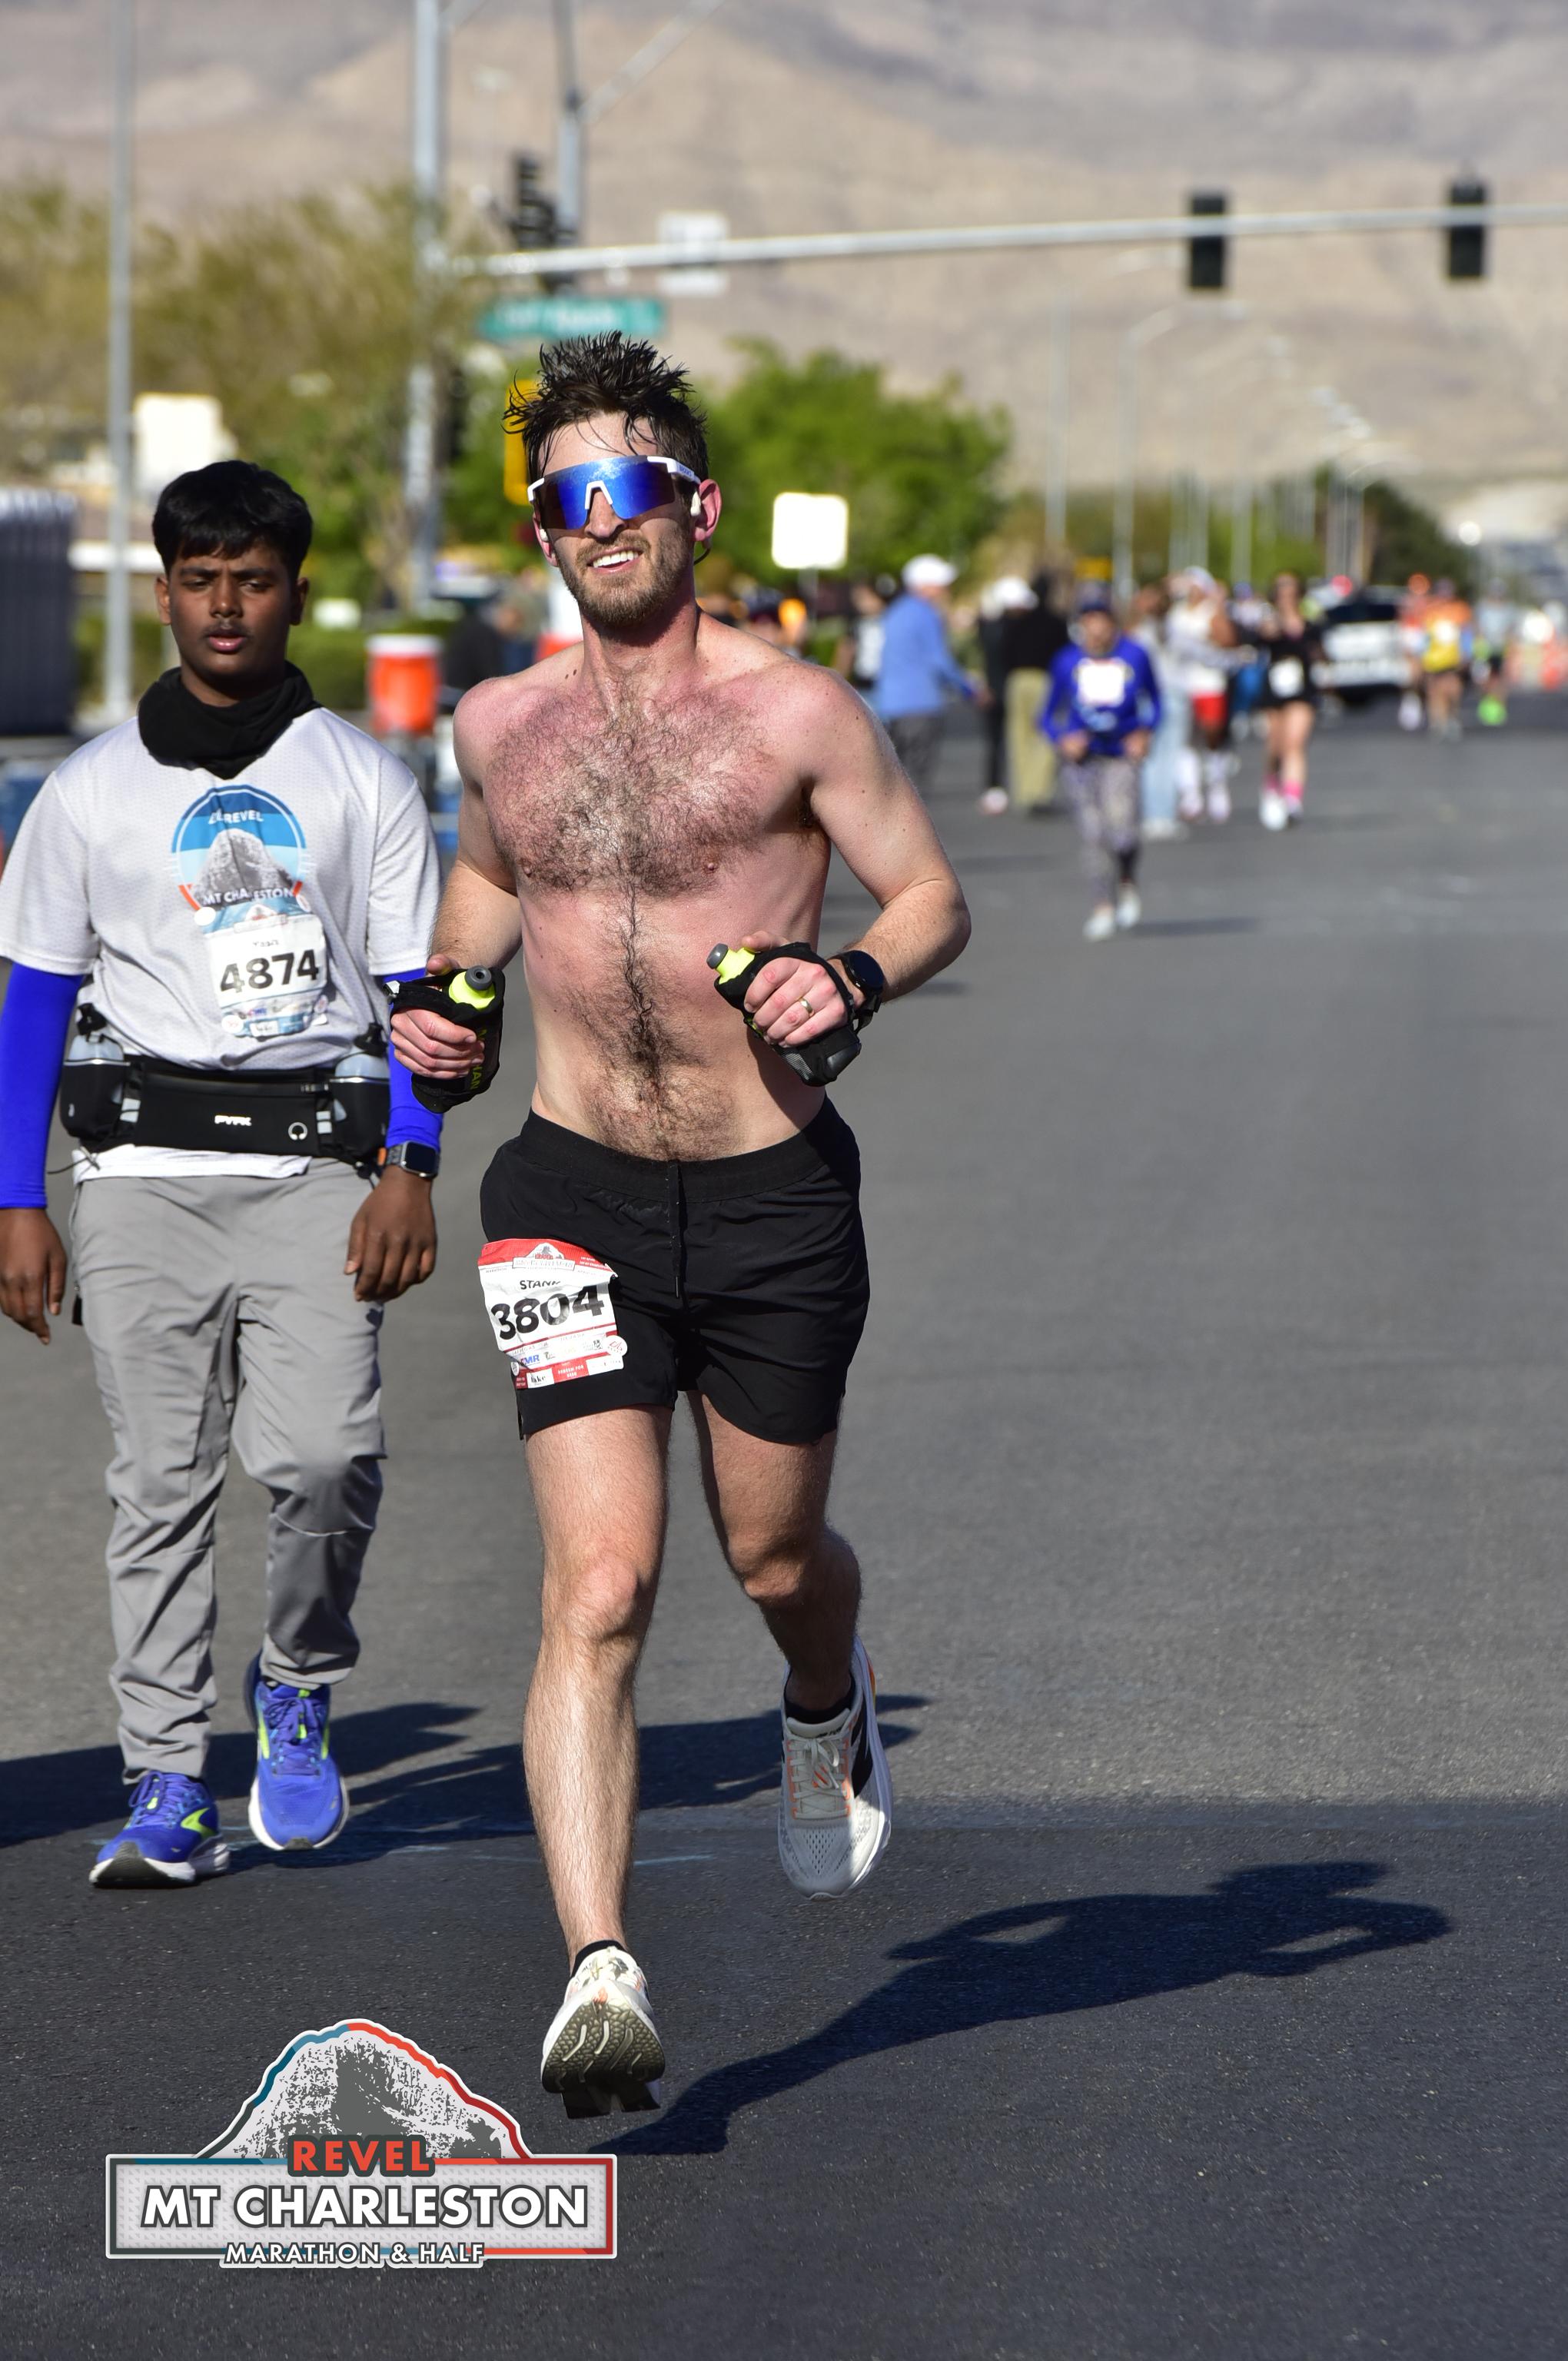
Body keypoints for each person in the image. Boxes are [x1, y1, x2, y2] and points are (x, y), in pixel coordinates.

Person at [390, 334, 970, 2119]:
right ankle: (600, 1965)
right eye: (563, 494)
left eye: (627, 485)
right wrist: (440, 1023)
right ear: (541, 526)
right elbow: (481, 889)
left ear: (695, 506)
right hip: (568, 1196)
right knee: (601, 1583)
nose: (597, 518)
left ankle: (823, 1695)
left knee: (772, 1555)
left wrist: (850, 973)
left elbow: (928, 893)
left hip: (772, 1194)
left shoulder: (799, 713)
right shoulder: (500, 724)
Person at [0, 460, 443, 1885]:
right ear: (164, 593)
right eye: (200, 581)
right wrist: (16, 1195)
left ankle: (297, 1685)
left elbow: (420, 996)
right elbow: (32, 999)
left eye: (253, 580)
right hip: (139, 1171)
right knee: (159, 1485)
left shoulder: (362, 780)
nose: (227, 606)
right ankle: (167, 1779)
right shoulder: (88, 791)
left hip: (319, 1165)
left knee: (324, 1457)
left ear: (297, 592)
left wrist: (413, 1162)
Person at [1040, 592, 1161, 939]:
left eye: (1102, 618)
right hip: (1083, 759)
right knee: (1093, 833)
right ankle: (1102, 905)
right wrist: (1063, 738)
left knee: (1123, 832)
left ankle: (1127, 877)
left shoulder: (1135, 655)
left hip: (1121, 755)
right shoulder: (1067, 661)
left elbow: (1156, 702)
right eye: (1088, 619)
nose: (1096, 627)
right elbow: (1047, 715)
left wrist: (1144, 733)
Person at [870, 553, 982, 795]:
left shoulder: (894, 612)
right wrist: (969, 689)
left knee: (892, 780)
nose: (945, 588)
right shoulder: (927, 614)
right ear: (925, 585)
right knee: (915, 785)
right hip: (920, 704)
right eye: (941, 583)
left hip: (890, 704)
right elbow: (940, 661)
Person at [1164, 568, 1237, 820]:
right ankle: (1190, 793)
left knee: (1211, 734)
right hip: (1182, 684)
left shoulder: (1211, 611)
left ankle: (1216, 784)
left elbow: (1228, 640)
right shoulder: (1176, 613)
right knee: (1186, 738)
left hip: (1209, 682)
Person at [1254, 571, 1324, 830]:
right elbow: (1259, 641)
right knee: (1276, 746)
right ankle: (1272, 785)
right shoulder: (1268, 621)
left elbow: (1318, 650)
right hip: (1275, 690)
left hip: (1301, 690)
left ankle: (1292, 799)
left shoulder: (1310, 623)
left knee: (1294, 743)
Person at [1420, 578, 1474, 741]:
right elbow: (1424, 636)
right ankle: (1437, 722)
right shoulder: (1429, 610)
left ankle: (1452, 718)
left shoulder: (1460, 610)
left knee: (1453, 690)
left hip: (1452, 658)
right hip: (1433, 658)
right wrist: (1421, 655)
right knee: (1434, 691)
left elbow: (1466, 634)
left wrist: (1467, 653)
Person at [1397, 573, 1433, 731]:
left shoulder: (1430, 603)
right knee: (1412, 675)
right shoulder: (1406, 602)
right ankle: (1411, 703)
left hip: (1426, 637)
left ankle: (1427, 707)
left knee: (1426, 676)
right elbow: (1402, 623)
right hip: (1412, 636)